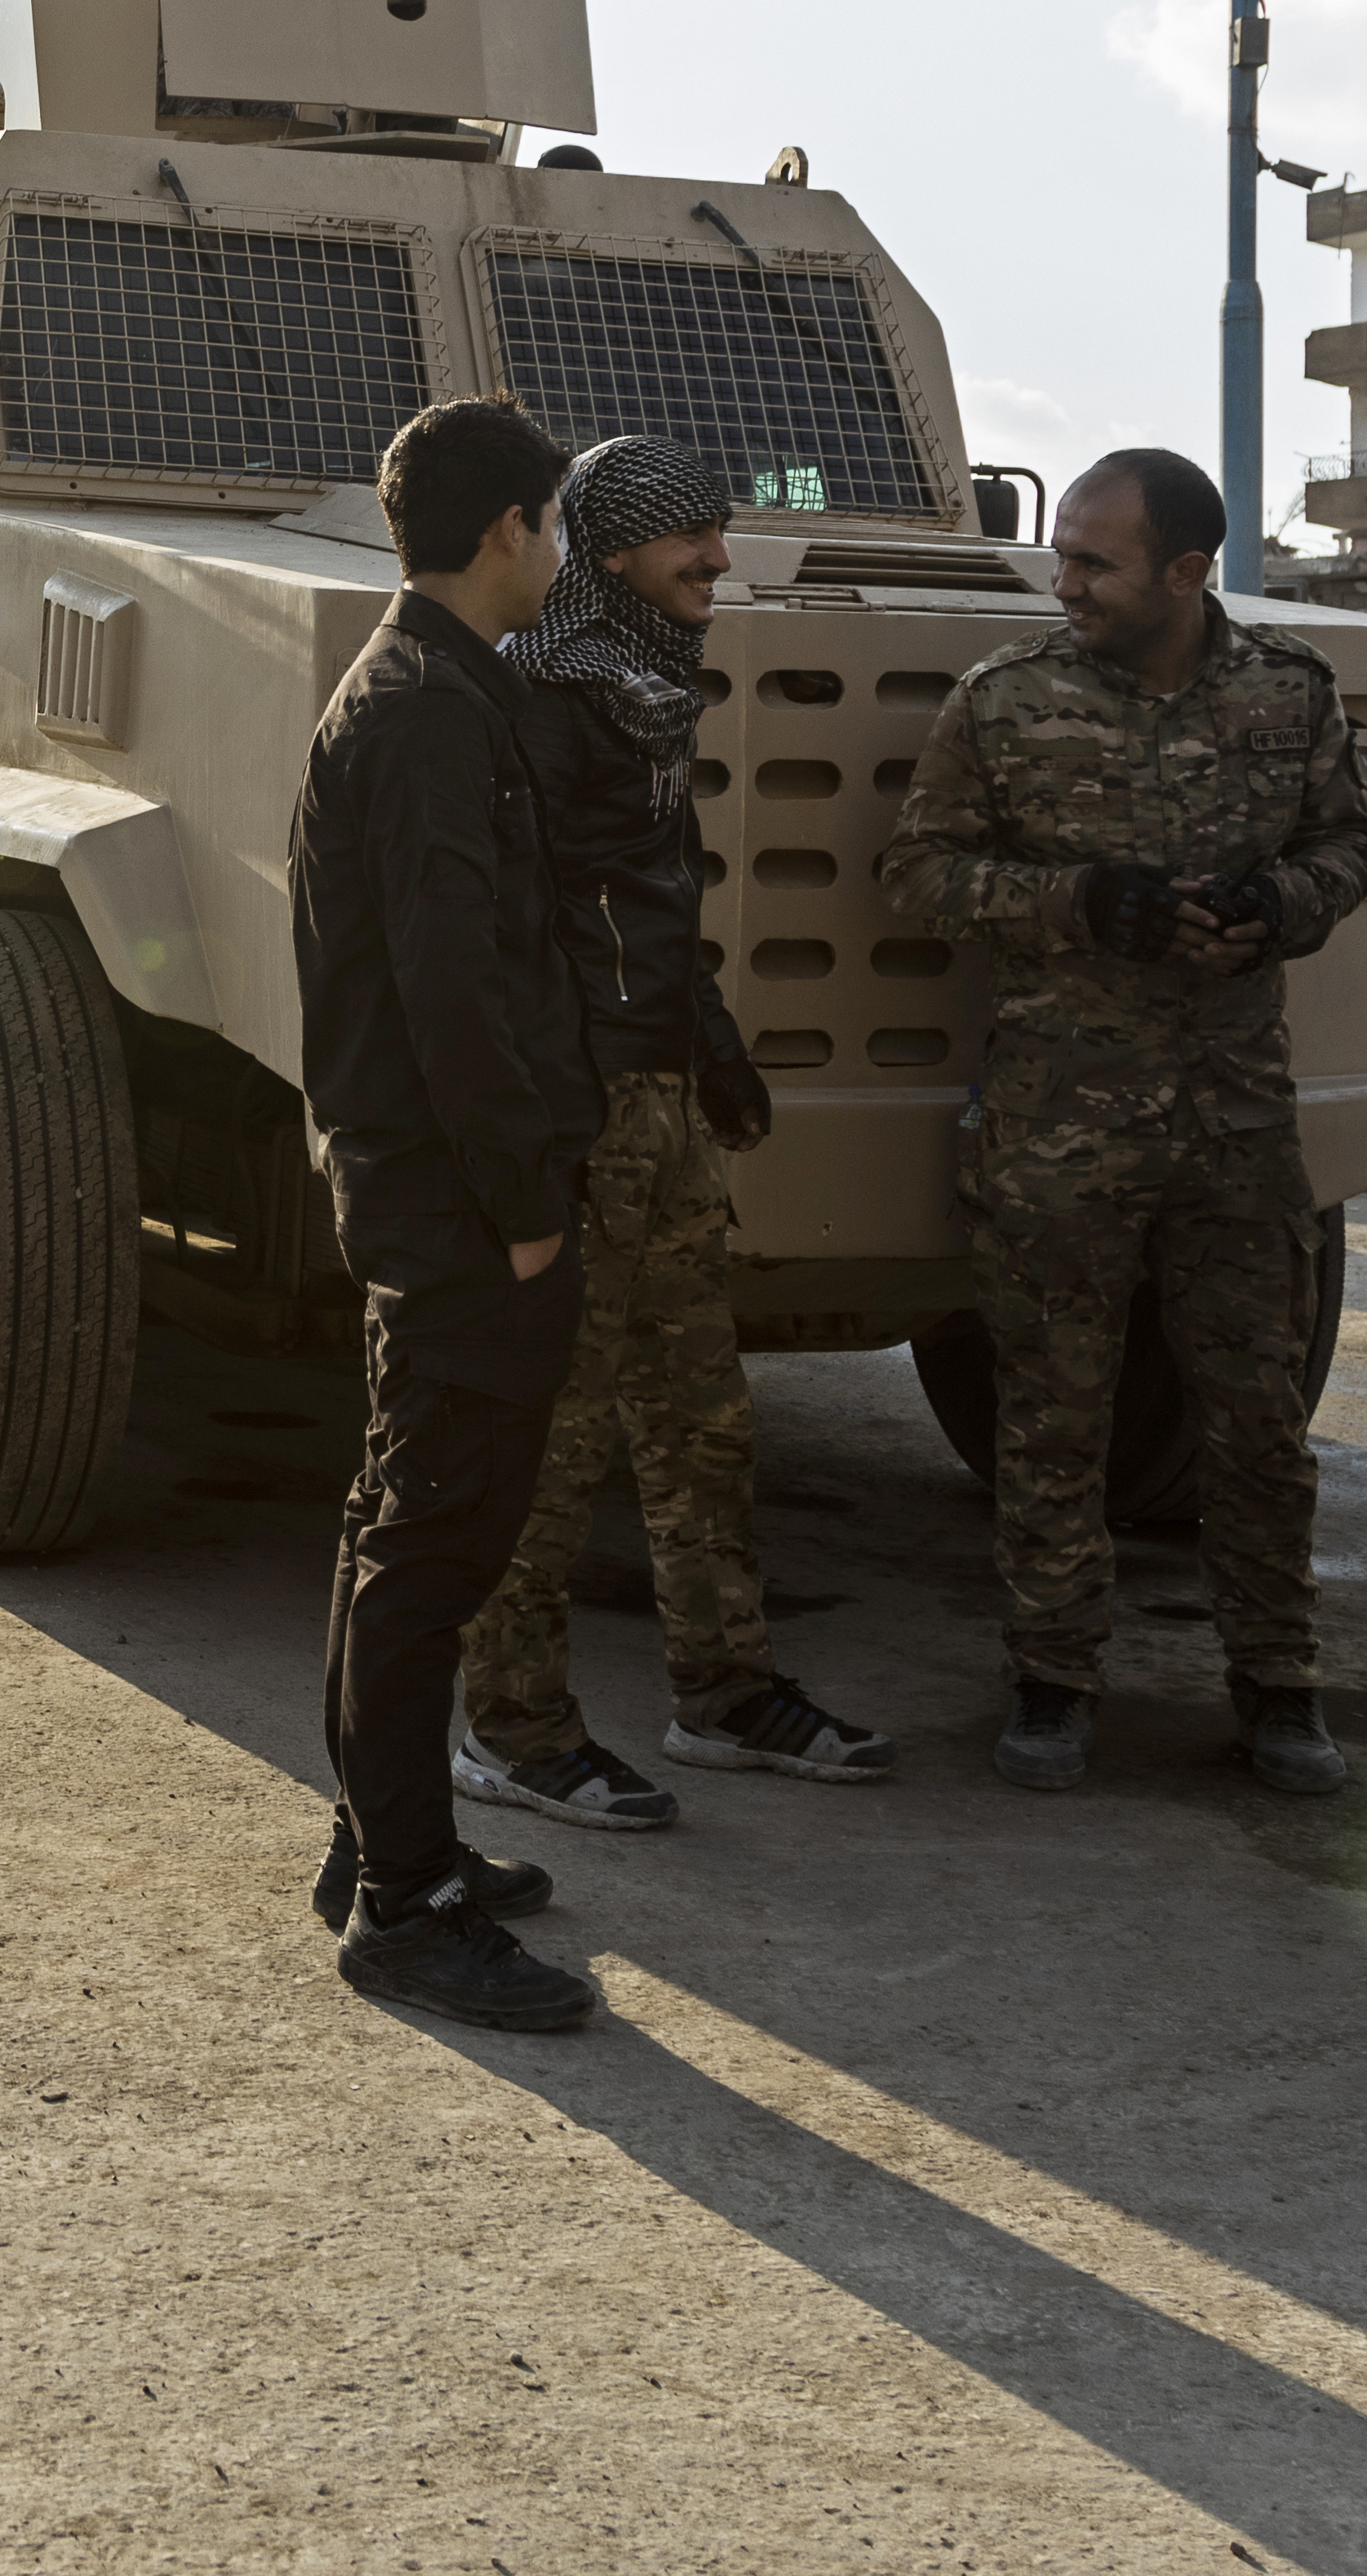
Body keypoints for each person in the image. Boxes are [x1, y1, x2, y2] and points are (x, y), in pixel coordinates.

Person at [877, 443, 1367, 1798]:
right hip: (1058, 1125)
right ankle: (1052, 1687)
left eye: (1095, 561)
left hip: (1234, 1118)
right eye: (1067, 554)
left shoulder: (1292, 693)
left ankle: (1279, 1688)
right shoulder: (1008, 700)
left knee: (1257, 1417)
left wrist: (1278, 909)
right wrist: (1079, 903)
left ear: (1184, 572)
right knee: (1052, 1415)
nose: (1067, 581)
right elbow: (920, 872)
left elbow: (1347, 847)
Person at [453, 438, 898, 1838]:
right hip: (587, 1115)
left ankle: (727, 1696)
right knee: (554, 1428)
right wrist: (552, 1118)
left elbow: (647, 909)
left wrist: (708, 1048)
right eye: (687, 539)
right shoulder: (544, 706)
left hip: (662, 1107)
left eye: (719, 533)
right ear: (611, 554)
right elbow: (514, 940)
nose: (720, 560)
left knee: (701, 1418)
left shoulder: (636, 694)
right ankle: (509, 1725)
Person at [292, 397, 608, 2030]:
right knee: (433, 1545)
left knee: (401, 1524)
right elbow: (452, 989)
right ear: (512, 531)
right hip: (462, 1203)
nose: (557, 552)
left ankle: (384, 1840)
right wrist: (523, 1203)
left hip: (439, 1189)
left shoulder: (430, 686)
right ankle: (405, 1907)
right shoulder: (425, 711)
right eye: (552, 524)